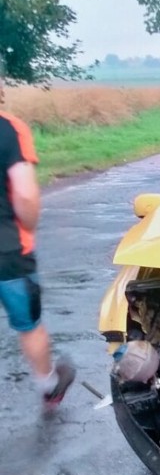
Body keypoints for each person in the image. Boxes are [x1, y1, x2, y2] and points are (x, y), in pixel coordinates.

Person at [0, 85, 75, 406]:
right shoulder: (9, 128)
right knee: (29, 325)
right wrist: (27, 226)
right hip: (9, 253)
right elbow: (26, 195)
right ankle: (49, 387)